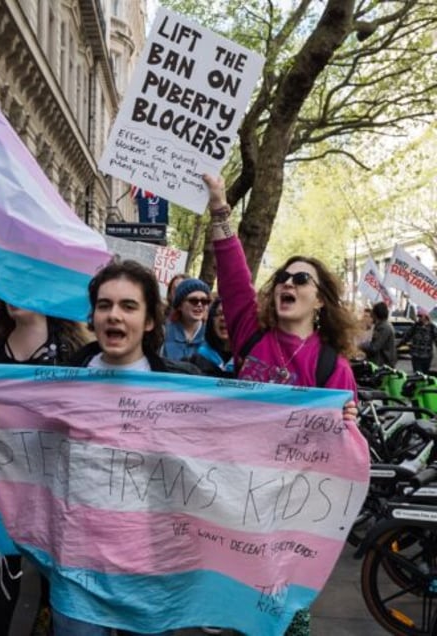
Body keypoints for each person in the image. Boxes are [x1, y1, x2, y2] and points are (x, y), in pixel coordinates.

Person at [205, 173, 358, 636]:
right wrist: (219, 209)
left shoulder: (334, 368)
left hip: (292, 514)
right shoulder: (251, 334)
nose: (286, 284)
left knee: (283, 617)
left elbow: (344, 462)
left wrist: (348, 427)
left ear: (320, 301)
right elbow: (232, 274)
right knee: (231, 609)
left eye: (300, 279)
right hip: (234, 500)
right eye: (281, 278)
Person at [52, 258, 197, 636]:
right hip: (77, 566)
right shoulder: (62, 382)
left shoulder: (183, 387)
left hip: (151, 567)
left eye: (128, 306)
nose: (114, 315)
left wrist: (333, 418)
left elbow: (245, 426)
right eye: (105, 305)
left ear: (150, 321)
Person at [0, 302, 87, 636]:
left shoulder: (71, 349)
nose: (14, 297)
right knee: (4, 556)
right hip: (6, 476)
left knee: (50, 559)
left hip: (55, 477)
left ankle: (44, 621)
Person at [162, 277, 211, 361]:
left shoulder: (212, 337)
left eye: (204, 301)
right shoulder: (163, 332)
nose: (199, 305)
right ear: (180, 305)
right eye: (193, 300)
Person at [188, 297, 235, 378]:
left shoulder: (247, 361)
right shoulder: (199, 358)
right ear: (211, 321)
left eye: (229, 314)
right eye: (219, 314)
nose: (223, 318)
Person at [360, 301, 397, 368]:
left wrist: (361, 345)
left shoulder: (384, 328)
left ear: (376, 314)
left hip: (383, 364)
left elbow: (374, 347)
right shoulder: (380, 326)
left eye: (372, 313)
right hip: (380, 363)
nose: (371, 316)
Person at [401, 306, 437, 374]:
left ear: (425, 316)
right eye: (418, 316)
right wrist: (398, 345)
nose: (419, 318)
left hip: (427, 357)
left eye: (420, 316)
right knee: (417, 374)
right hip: (416, 356)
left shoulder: (432, 327)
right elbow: (407, 337)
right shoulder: (415, 326)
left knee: (424, 376)